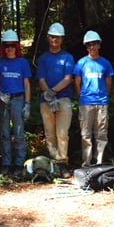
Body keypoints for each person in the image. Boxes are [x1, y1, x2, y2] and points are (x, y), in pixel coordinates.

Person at [0, 29, 32, 178]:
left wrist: (27, 104)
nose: (9, 49)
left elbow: (27, 84)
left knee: (19, 133)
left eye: (12, 46)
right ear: (3, 47)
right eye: (7, 46)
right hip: (4, 101)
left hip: (18, 100)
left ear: (16, 47)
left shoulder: (22, 62)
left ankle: (19, 164)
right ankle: (6, 163)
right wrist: (0, 95)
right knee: (4, 133)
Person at [36, 23, 74, 178]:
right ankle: (53, 163)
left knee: (62, 133)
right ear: (48, 38)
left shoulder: (67, 57)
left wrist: (53, 91)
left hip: (63, 99)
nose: (54, 39)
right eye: (52, 37)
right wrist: (47, 94)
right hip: (46, 101)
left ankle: (62, 163)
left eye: (57, 37)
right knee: (50, 133)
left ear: (62, 39)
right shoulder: (44, 58)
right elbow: (41, 79)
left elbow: (68, 78)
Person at [73, 30, 114, 167]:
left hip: (102, 103)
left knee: (101, 135)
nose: (91, 47)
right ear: (86, 47)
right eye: (88, 45)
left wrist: (104, 96)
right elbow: (77, 82)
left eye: (94, 44)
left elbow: (109, 81)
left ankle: (99, 163)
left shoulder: (105, 63)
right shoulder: (81, 63)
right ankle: (86, 164)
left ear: (99, 45)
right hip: (86, 103)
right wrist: (82, 97)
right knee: (86, 135)